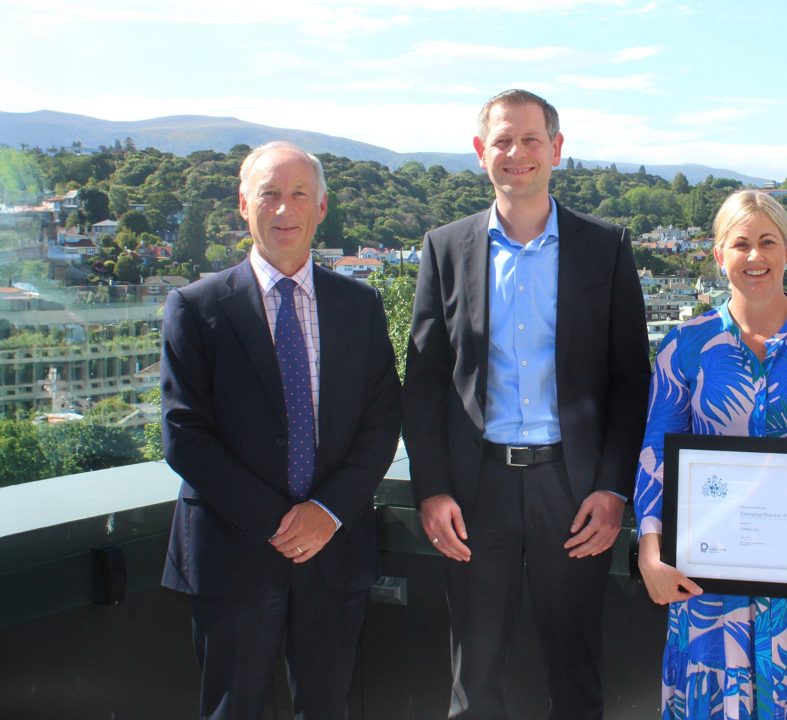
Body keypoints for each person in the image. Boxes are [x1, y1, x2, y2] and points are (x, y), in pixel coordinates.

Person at [401, 89, 650, 719]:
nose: (518, 153)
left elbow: (630, 381)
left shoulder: (607, 248)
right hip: (474, 493)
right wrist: (431, 489)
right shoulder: (444, 248)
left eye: (532, 139)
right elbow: (424, 382)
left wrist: (614, 488)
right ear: (482, 152)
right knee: (475, 678)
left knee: (575, 673)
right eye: (503, 141)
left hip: (572, 494)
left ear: (557, 150)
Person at [160, 141, 402, 719]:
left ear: (322, 208)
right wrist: (279, 522)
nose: (283, 208)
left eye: (298, 194)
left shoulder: (359, 304)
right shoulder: (195, 307)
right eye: (268, 194)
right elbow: (183, 434)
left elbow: (381, 419)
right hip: (231, 552)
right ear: (243, 205)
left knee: (325, 708)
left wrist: (328, 511)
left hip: (334, 551)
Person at [633, 189, 787, 719]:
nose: (755, 256)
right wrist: (650, 549)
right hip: (711, 587)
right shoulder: (685, 346)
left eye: (768, 242)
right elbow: (656, 456)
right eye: (741, 243)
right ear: (718, 254)